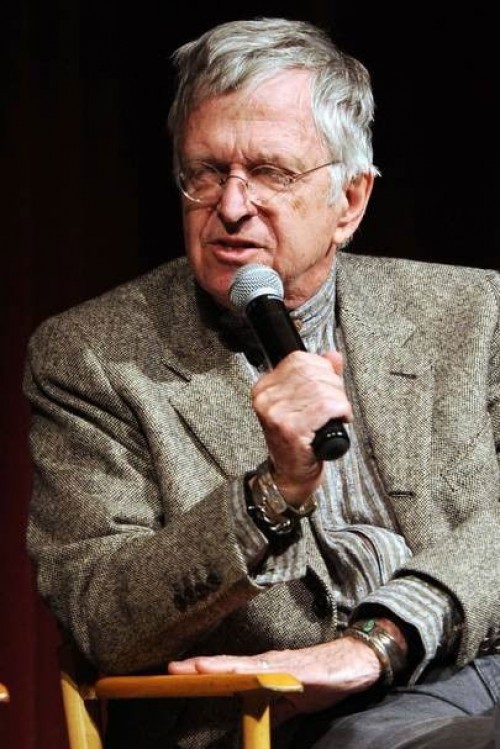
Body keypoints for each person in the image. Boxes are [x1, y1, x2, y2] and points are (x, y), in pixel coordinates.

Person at [24, 16, 500, 749]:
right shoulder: (91, 357)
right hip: (280, 718)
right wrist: (271, 494)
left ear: (350, 201)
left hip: (475, 661)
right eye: (206, 172)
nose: (232, 206)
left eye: (273, 173)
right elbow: (101, 614)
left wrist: (385, 636)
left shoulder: (470, 312)